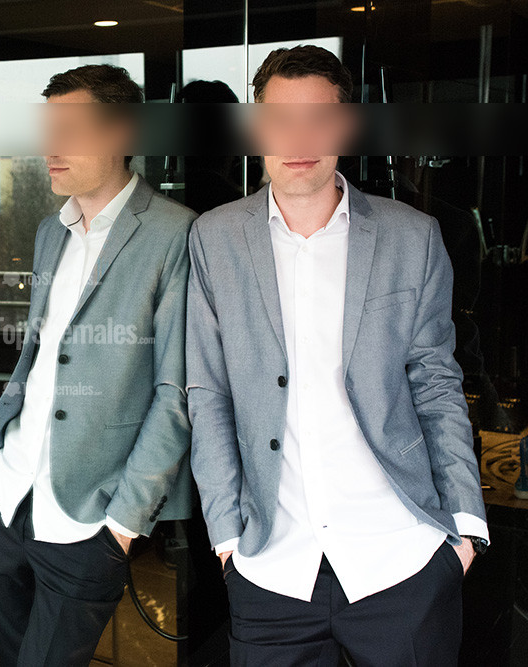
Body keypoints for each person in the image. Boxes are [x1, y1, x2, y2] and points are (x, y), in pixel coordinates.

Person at [186, 45, 489, 665]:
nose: (299, 139)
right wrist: (225, 537)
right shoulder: (214, 239)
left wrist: (465, 528)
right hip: (271, 568)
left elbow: (435, 382)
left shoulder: (413, 236)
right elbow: (208, 392)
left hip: (402, 559)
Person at [0, 64, 196, 666]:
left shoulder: (176, 234)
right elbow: (43, 355)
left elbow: (177, 394)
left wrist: (123, 523)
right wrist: (0, 462)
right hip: (14, 492)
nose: (51, 147)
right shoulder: (51, 230)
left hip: (91, 516)